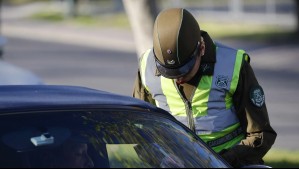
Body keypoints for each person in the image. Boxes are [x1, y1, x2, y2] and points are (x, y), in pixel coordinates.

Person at [132, 8, 277, 168]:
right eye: (169, 73)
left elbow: (260, 135)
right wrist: (160, 159)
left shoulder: (232, 66)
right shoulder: (146, 67)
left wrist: (219, 163)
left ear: (201, 48)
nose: (178, 79)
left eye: (184, 70)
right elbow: (138, 130)